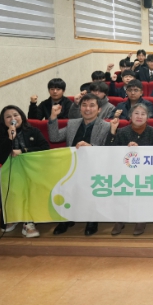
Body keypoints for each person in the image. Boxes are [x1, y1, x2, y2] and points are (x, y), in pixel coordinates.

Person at [49, 93, 111, 236]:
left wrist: (91, 147)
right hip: (72, 165)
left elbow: (109, 149)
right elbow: (54, 137)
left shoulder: (106, 126)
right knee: (66, 188)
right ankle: (66, 219)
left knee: (91, 189)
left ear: (99, 109)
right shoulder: (72, 123)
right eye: (84, 105)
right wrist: (53, 117)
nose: (87, 109)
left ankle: (92, 220)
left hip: (95, 166)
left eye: (92, 105)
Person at [0, 105, 50, 237]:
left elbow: (45, 148)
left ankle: (28, 222)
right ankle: (14, 217)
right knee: (14, 185)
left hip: (34, 170)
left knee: (28, 186)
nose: (12, 118)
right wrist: (9, 139)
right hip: (13, 173)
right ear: (3, 121)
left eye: (15, 115)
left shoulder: (33, 131)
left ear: (22, 117)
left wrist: (23, 151)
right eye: (8, 117)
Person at [107, 103, 153, 236]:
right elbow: (111, 152)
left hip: (146, 170)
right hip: (125, 170)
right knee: (122, 186)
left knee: (143, 186)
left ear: (147, 117)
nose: (139, 116)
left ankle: (141, 219)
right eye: (136, 113)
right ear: (130, 116)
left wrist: (139, 150)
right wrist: (125, 148)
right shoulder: (122, 131)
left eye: (143, 114)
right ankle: (120, 219)